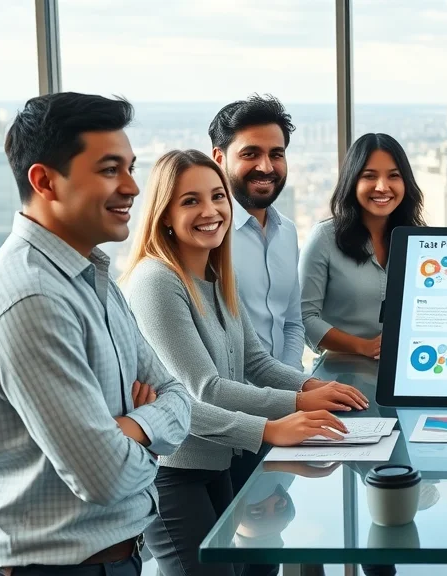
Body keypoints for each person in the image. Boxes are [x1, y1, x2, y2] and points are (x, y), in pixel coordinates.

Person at [121, 149, 368, 576]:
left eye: (217, 197)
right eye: (190, 201)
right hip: (173, 472)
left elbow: (256, 360)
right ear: (163, 214)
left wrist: (310, 387)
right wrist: (285, 417)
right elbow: (204, 390)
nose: (211, 210)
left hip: (218, 461)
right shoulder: (156, 280)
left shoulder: (216, 274)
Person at [0, 93, 191, 575]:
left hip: (115, 558)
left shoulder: (90, 276)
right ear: (44, 181)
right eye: (109, 170)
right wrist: (147, 438)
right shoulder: (34, 299)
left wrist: (133, 427)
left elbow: (176, 395)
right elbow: (106, 474)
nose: (133, 187)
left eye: (131, 167)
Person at [209, 95, 305, 575]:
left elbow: (291, 322)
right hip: (227, 427)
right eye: (251, 153)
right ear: (219, 157)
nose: (266, 166)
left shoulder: (288, 232)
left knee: (267, 556)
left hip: (280, 421)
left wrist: (293, 388)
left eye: (277, 153)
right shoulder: (209, 234)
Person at [300, 133, 427, 365]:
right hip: (341, 373)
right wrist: (364, 347)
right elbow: (305, 318)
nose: (382, 187)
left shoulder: (420, 241)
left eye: (394, 176)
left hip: (411, 366)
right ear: (352, 181)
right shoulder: (325, 238)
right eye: (369, 176)